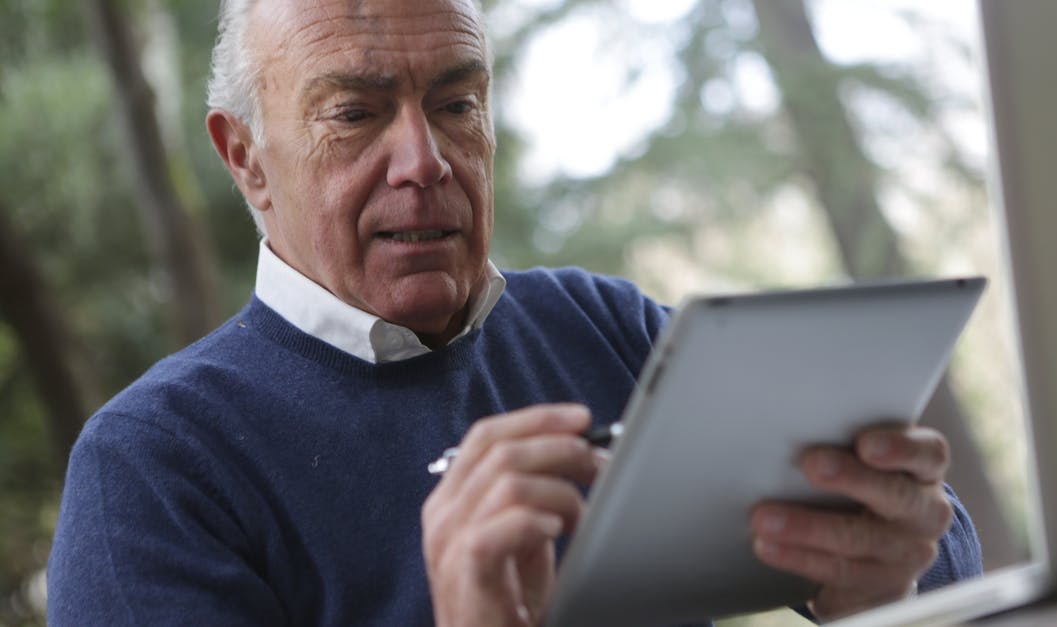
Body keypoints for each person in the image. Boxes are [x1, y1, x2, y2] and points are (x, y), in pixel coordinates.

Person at [47, 0, 983, 625]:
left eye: (456, 101)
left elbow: (946, 577)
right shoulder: (153, 467)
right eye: (356, 114)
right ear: (245, 156)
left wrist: (892, 579)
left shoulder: (600, 325)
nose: (426, 159)